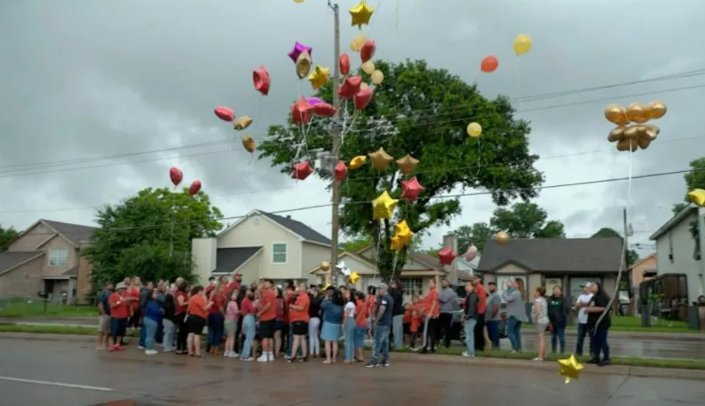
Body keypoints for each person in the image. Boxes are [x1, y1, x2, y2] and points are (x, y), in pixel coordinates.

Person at [366, 283, 393, 368]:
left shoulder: (384, 298)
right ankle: (385, 359)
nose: (378, 291)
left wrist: (376, 321)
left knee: (377, 341)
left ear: (384, 289)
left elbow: (382, 310)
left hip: (382, 323)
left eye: (379, 289)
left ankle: (374, 360)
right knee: (385, 342)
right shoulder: (390, 298)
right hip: (387, 323)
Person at [585, 281, 612, 366]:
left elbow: (603, 308)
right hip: (593, 323)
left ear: (598, 287)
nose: (591, 287)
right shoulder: (594, 297)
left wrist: (589, 310)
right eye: (591, 286)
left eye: (593, 285)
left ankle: (606, 358)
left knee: (602, 340)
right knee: (594, 341)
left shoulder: (601, 296)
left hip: (601, 323)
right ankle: (596, 357)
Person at [502, 278, 528, 353]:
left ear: (518, 285)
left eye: (514, 283)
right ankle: (519, 349)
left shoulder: (516, 293)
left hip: (513, 315)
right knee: (516, 332)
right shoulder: (520, 293)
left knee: (509, 332)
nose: (512, 284)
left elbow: (507, 298)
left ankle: (515, 348)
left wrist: (504, 290)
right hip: (519, 316)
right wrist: (508, 289)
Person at [187, 285, 212, 357]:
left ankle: (190, 351)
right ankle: (197, 352)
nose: (203, 292)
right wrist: (210, 304)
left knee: (190, 334)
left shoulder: (192, 298)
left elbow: (188, 309)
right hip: (198, 317)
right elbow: (204, 308)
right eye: (202, 291)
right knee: (197, 334)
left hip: (191, 316)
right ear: (199, 291)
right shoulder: (198, 298)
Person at [288, 282, 310, 363]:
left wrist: (292, 306)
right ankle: (304, 355)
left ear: (304, 288)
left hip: (300, 319)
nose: (299, 287)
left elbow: (301, 308)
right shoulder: (301, 296)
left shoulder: (304, 297)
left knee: (297, 338)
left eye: (301, 286)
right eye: (299, 286)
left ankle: (293, 356)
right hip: (300, 319)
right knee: (302, 338)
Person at [320, 288, 344, 364]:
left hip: (328, 324)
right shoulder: (341, 307)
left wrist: (326, 298)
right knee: (335, 342)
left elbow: (322, 305)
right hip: (337, 324)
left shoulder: (330, 304)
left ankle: (328, 359)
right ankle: (334, 358)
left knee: (327, 341)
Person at [256, 279, 277, 362]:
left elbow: (268, 304)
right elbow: (262, 301)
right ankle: (270, 354)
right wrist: (259, 291)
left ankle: (265, 354)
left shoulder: (269, 292)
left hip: (266, 317)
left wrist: (260, 312)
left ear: (270, 284)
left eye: (266, 282)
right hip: (272, 317)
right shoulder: (270, 292)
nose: (264, 284)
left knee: (265, 337)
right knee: (270, 337)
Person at [108, 282, 132, 352]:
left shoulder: (124, 296)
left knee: (121, 332)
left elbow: (127, 305)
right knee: (113, 332)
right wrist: (119, 302)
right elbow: (112, 306)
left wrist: (128, 302)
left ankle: (118, 344)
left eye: (124, 289)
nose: (123, 290)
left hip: (123, 316)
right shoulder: (113, 296)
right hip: (115, 317)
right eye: (122, 289)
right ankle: (111, 345)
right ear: (118, 289)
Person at [547, 285, 571, 354]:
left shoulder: (563, 299)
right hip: (552, 322)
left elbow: (566, 310)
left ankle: (562, 351)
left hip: (561, 322)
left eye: (557, 289)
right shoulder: (550, 299)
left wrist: (561, 318)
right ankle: (553, 350)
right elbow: (548, 310)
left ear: (560, 291)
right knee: (553, 337)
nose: (556, 291)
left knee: (561, 337)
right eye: (554, 289)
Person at [574, 282, 594, 356]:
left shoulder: (592, 296)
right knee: (580, 338)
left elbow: (592, 305)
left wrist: (583, 304)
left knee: (592, 338)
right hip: (581, 320)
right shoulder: (581, 296)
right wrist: (584, 304)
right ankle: (578, 353)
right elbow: (577, 305)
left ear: (588, 288)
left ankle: (592, 353)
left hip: (589, 320)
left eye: (584, 287)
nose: (582, 288)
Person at [437, 279, 458, 348]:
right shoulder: (440, 291)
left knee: (447, 329)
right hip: (440, 312)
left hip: (448, 312)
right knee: (438, 328)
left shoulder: (450, 291)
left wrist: (438, 297)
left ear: (448, 283)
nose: (443, 283)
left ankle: (447, 345)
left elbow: (444, 299)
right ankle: (437, 343)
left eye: (445, 282)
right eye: (442, 282)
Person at [420, 279, 439, 354]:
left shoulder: (434, 292)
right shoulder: (429, 292)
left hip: (430, 314)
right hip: (427, 312)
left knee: (427, 331)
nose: (430, 284)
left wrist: (431, 312)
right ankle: (432, 347)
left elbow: (434, 303)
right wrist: (423, 309)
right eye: (429, 282)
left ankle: (425, 347)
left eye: (432, 282)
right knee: (430, 331)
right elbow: (427, 303)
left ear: (435, 284)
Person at [207, 284, 226, 355]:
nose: (223, 288)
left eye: (223, 287)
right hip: (217, 315)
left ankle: (212, 348)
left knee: (213, 332)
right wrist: (224, 315)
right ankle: (216, 349)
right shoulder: (219, 296)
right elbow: (220, 307)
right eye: (222, 287)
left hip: (211, 315)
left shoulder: (213, 295)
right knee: (218, 332)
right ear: (218, 288)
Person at [532, 286, 549, 361]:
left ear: (538, 292)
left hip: (540, 321)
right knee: (542, 338)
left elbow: (537, 312)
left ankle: (540, 356)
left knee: (540, 339)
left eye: (535, 291)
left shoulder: (537, 301)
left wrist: (535, 319)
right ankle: (543, 355)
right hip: (544, 320)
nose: (534, 293)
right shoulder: (543, 300)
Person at [462, 281, 479, 358]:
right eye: (466, 285)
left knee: (469, 335)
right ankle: (470, 350)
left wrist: (468, 316)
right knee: (469, 334)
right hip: (470, 317)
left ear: (472, 287)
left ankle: (470, 352)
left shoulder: (472, 295)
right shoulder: (469, 295)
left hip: (471, 317)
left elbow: (472, 307)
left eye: (469, 285)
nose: (467, 286)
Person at [143, 290, 162, 355]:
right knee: (150, 335)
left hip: (150, 319)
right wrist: (160, 311)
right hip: (151, 319)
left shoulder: (152, 302)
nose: (156, 294)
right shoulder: (151, 302)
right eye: (155, 293)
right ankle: (148, 349)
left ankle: (150, 348)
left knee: (150, 334)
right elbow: (156, 311)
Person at [240, 288, 256, 361]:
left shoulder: (244, 300)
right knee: (249, 338)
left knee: (247, 337)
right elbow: (252, 309)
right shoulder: (248, 300)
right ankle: (246, 355)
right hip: (249, 317)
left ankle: (244, 354)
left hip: (245, 318)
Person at [472, 276, 487, 352]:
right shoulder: (475, 288)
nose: (474, 280)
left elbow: (481, 299)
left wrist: (475, 306)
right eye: (473, 278)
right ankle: (477, 346)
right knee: (476, 330)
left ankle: (480, 347)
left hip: (480, 311)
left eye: (475, 278)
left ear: (479, 279)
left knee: (478, 330)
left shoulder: (480, 288)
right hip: (477, 312)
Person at [96, 282, 113, 350]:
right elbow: (100, 303)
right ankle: (99, 344)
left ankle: (106, 343)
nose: (111, 286)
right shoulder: (103, 293)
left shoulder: (111, 293)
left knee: (108, 331)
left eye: (112, 285)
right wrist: (102, 312)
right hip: (104, 314)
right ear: (106, 286)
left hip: (110, 314)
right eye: (110, 285)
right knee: (101, 330)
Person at [485, 282, 501, 350]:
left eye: (492, 286)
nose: (490, 287)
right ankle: (491, 347)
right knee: (490, 335)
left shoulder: (496, 296)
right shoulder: (490, 296)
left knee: (494, 334)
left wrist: (492, 316)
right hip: (488, 318)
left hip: (493, 319)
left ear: (495, 287)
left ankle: (496, 347)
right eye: (489, 286)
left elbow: (496, 307)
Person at [342, 288, 357, 364]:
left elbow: (346, 315)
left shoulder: (349, 304)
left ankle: (348, 358)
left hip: (349, 321)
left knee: (348, 340)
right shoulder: (353, 304)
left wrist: (344, 324)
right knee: (351, 340)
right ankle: (351, 357)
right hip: (352, 320)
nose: (345, 294)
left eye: (347, 293)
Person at [174, 281, 189, 355]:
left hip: (183, 313)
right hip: (180, 313)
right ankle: (179, 348)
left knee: (184, 331)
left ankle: (184, 347)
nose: (188, 288)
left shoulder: (183, 293)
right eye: (187, 287)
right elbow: (181, 304)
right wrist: (189, 302)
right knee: (182, 331)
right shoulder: (180, 294)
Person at [137, 281, 153, 350]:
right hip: (145, 314)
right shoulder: (145, 293)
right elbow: (142, 304)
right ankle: (142, 343)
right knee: (144, 328)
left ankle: (143, 343)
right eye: (150, 284)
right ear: (146, 286)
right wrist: (145, 313)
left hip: (146, 313)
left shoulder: (147, 293)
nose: (152, 286)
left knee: (146, 328)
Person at [389, 280, 405, 350]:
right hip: (397, 313)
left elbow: (393, 302)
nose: (391, 284)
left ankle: (398, 345)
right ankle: (398, 344)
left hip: (396, 313)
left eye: (393, 283)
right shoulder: (396, 292)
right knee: (397, 330)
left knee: (396, 330)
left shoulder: (396, 293)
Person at [224, 290, 240, 358]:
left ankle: (226, 351)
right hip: (232, 321)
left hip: (227, 320)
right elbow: (236, 312)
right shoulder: (233, 303)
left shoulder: (228, 303)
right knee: (232, 337)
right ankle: (231, 351)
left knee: (228, 337)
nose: (236, 296)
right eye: (234, 294)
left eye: (236, 294)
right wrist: (241, 311)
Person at [308, 286, 322, 358]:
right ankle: (317, 352)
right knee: (316, 336)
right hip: (318, 319)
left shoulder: (311, 301)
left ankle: (311, 352)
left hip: (312, 318)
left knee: (311, 336)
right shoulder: (320, 300)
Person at [353, 290, 368, 362]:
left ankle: (359, 356)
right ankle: (358, 355)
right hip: (364, 323)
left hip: (357, 323)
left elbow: (355, 313)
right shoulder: (364, 303)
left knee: (357, 340)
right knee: (361, 340)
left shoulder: (357, 303)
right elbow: (367, 314)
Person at [162, 285, 176, 353]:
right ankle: (168, 346)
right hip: (171, 320)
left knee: (167, 333)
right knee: (170, 334)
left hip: (165, 320)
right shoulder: (172, 305)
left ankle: (166, 345)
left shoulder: (164, 305)